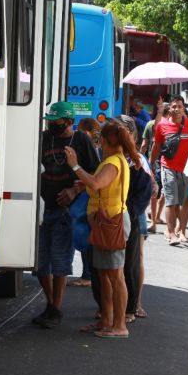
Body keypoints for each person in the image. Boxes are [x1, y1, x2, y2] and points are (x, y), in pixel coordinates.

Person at [66, 121, 140, 339]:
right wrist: (85, 184)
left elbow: (97, 183)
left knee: (115, 276)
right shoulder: (112, 160)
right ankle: (106, 321)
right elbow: (100, 186)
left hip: (111, 223)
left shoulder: (113, 162)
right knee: (104, 274)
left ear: (106, 141)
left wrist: (75, 166)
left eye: (100, 141)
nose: (98, 144)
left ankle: (120, 325)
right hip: (104, 223)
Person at [34, 102, 100, 328]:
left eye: (56, 121)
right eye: (50, 121)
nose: (51, 125)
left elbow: (95, 174)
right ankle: (52, 306)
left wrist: (75, 189)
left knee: (60, 261)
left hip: (66, 212)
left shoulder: (81, 140)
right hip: (42, 208)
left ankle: (55, 308)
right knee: (40, 262)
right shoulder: (43, 138)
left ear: (69, 122)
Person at [118, 115, 155, 321]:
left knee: (134, 259)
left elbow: (149, 187)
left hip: (133, 214)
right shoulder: (110, 155)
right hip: (115, 214)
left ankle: (134, 304)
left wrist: (130, 213)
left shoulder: (138, 159)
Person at [149, 95, 188, 245]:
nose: (177, 109)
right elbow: (156, 146)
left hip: (186, 170)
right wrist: (150, 165)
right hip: (168, 167)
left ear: (184, 108)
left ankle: (182, 231)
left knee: (184, 202)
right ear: (169, 109)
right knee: (171, 200)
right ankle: (171, 234)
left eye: (179, 106)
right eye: (174, 106)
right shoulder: (161, 125)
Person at [71, 117, 102, 288]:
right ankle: (88, 274)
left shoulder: (90, 149)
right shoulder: (100, 149)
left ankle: (88, 275)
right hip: (93, 199)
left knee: (85, 234)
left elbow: (93, 178)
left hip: (89, 198)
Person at [141, 102, 169, 232]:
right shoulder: (163, 125)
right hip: (161, 162)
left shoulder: (150, 124)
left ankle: (154, 219)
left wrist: (141, 159)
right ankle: (155, 218)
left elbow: (144, 145)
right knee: (161, 191)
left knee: (157, 191)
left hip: (157, 162)